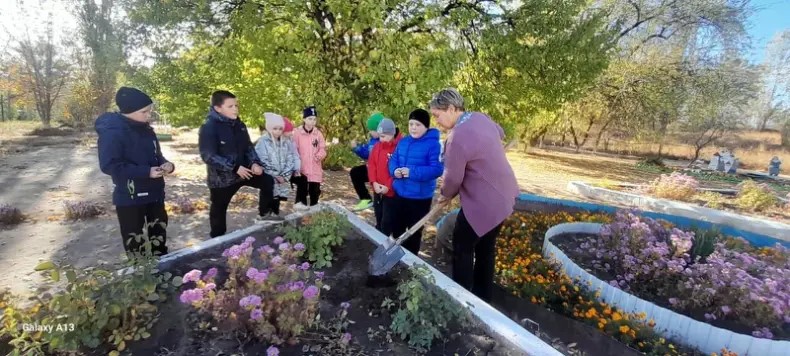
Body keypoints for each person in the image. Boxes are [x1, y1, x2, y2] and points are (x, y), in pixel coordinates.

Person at [431, 88, 519, 302]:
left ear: (451, 109)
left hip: (485, 202)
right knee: (486, 247)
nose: (437, 122)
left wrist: (445, 194)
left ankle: (461, 300)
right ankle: (482, 299)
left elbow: (452, 178)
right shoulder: (480, 117)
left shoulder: (456, 137)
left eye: (437, 115)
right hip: (505, 196)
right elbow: (500, 132)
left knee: (462, 246)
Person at [96, 87, 173, 256]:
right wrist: (146, 172)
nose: (148, 115)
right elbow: (109, 165)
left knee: (159, 239)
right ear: (128, 111)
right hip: (129, 199)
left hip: (155, 195)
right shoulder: (112, 133)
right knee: (135, 245)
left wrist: (167, 164)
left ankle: (162, 273)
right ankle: (140, 276)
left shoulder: (147, 130)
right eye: (144, 112)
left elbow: (156, 155)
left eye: (150, 111)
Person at [199, 90, 279, 238]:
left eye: (236, 105)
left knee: (267, 181)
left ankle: (265, 215)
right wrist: (234, 167)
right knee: (218, 209)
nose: (235, 109)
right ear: (218, 108)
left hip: (245, 172)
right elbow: (208, 156)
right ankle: (217, 239)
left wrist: (255, 163)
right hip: (222, 180)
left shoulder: (239, 124)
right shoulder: (209, 127)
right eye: (230, 106)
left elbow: (248, 147)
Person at [387, 108, 443, 255]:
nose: (413, 128)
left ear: (426, 126)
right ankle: (394, 259)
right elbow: (393, 160)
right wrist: (395, 171)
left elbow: (437, 169)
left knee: (414, 233)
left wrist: (412, 173)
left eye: (417, 124)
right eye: (411, 124)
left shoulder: (434, 145)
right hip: (400, 194)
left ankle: (410, 263)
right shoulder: (403, 142)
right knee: (396, 228)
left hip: (419, 198)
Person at [255, 113, 300, 217]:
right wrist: (275, 175)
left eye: (280, 129)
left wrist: (284, 176)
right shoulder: (263, 142)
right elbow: (262, 160)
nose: (278, 131)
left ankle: (275, 214)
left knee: (277, 197)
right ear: (269, 128)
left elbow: (290, 159)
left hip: (282, 177)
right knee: (268, 195)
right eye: (275, 128)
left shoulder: (285, 142)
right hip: (269, 176)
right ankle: (263, 215)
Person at [367, 118, 402, 232]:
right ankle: (378, 238)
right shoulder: (377, 147)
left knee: (387, 221)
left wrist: (388, 186)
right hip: (378, 190)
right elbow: (371, 165)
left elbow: (397, 170)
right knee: (378, 215)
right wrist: (374, 182)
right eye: (380, 136)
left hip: (391, 193)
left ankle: (385, 242)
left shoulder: (398, 148)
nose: (380, 139)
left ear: (391, 134)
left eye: (383, 136)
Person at [292, 106, 327, 208]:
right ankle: (301, 216)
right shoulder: (297, 133)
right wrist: (296, 167)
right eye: (310, 119)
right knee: (301, 195)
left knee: (315, 194)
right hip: (302, 170)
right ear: (304, 119)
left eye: (314, 119)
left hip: (315, 170)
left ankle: (313, 215)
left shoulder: (318, 134)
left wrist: (319, 155)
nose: (312, 121)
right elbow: (294, 151)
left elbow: (323, 149)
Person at [349, 113, 384, 211]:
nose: (370, 132)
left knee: (381, 202)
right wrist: (356, 148)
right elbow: (366, 153)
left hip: (382, 175)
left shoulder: (386, 140)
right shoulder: (373, 140)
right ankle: (366, 199)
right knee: (355, 172)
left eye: (372, 130)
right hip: (372, 170)